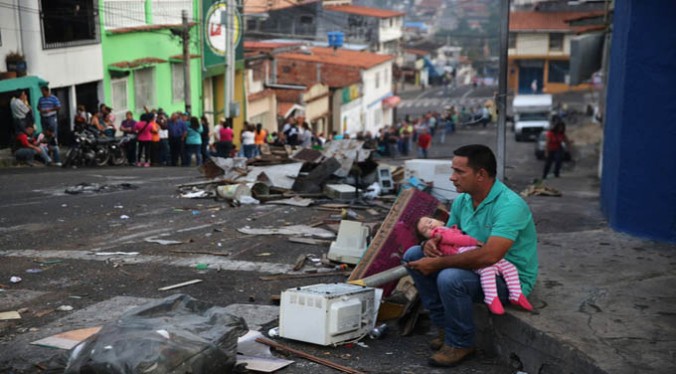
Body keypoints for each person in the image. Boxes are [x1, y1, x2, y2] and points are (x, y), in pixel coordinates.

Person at [404, 144, 538, 367]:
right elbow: (449, 237)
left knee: (450, 277)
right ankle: (445, 328)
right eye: (452, 171)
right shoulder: (462, 200)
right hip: (475, 267)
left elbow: (490, 256)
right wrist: (430, 244)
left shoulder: (510, 205)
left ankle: (461, 342)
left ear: (481, 175)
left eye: (459, 172)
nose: (452, 178)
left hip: (506, 277)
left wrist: (437, 263)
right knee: (413, 254)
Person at [416, 217, 533, 315]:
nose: (429, 226)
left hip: (478, 253)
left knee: (509, 267)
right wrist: (474, 241)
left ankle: (516, 294)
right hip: (464, 254)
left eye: (429, 222)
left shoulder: (449, 228)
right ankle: (491, 298)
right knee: (487, 269)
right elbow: (456, 239)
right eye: (425, 230)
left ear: (441, 221)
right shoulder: (439, 233)